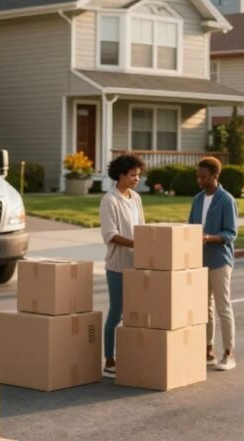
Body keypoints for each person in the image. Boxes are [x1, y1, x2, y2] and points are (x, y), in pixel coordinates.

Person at [188, 156, 239, 371]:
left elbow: (231, 233)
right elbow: (190, 227)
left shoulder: (226, 200)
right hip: (200, 261)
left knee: (222, 307)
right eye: (198, 176)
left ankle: (229, 353)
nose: (199, 180)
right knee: (204, 308)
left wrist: (208, 238)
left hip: (220, 261)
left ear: (215, 176)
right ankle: (208, 350)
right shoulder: (197, 199)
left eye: (203, 176)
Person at [98, 153, 146, 378]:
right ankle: (109, 359)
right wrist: (138, 243)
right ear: (121, 175)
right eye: (133, 175)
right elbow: (110, 235)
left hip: (137, 264)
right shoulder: (110, 201)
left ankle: (127, 355)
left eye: (138, 175)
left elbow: (142, 227)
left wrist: (147, 243)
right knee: (116, 313)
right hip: (118, 266)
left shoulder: (135, 198)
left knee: (133, 314)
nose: (137, 179)